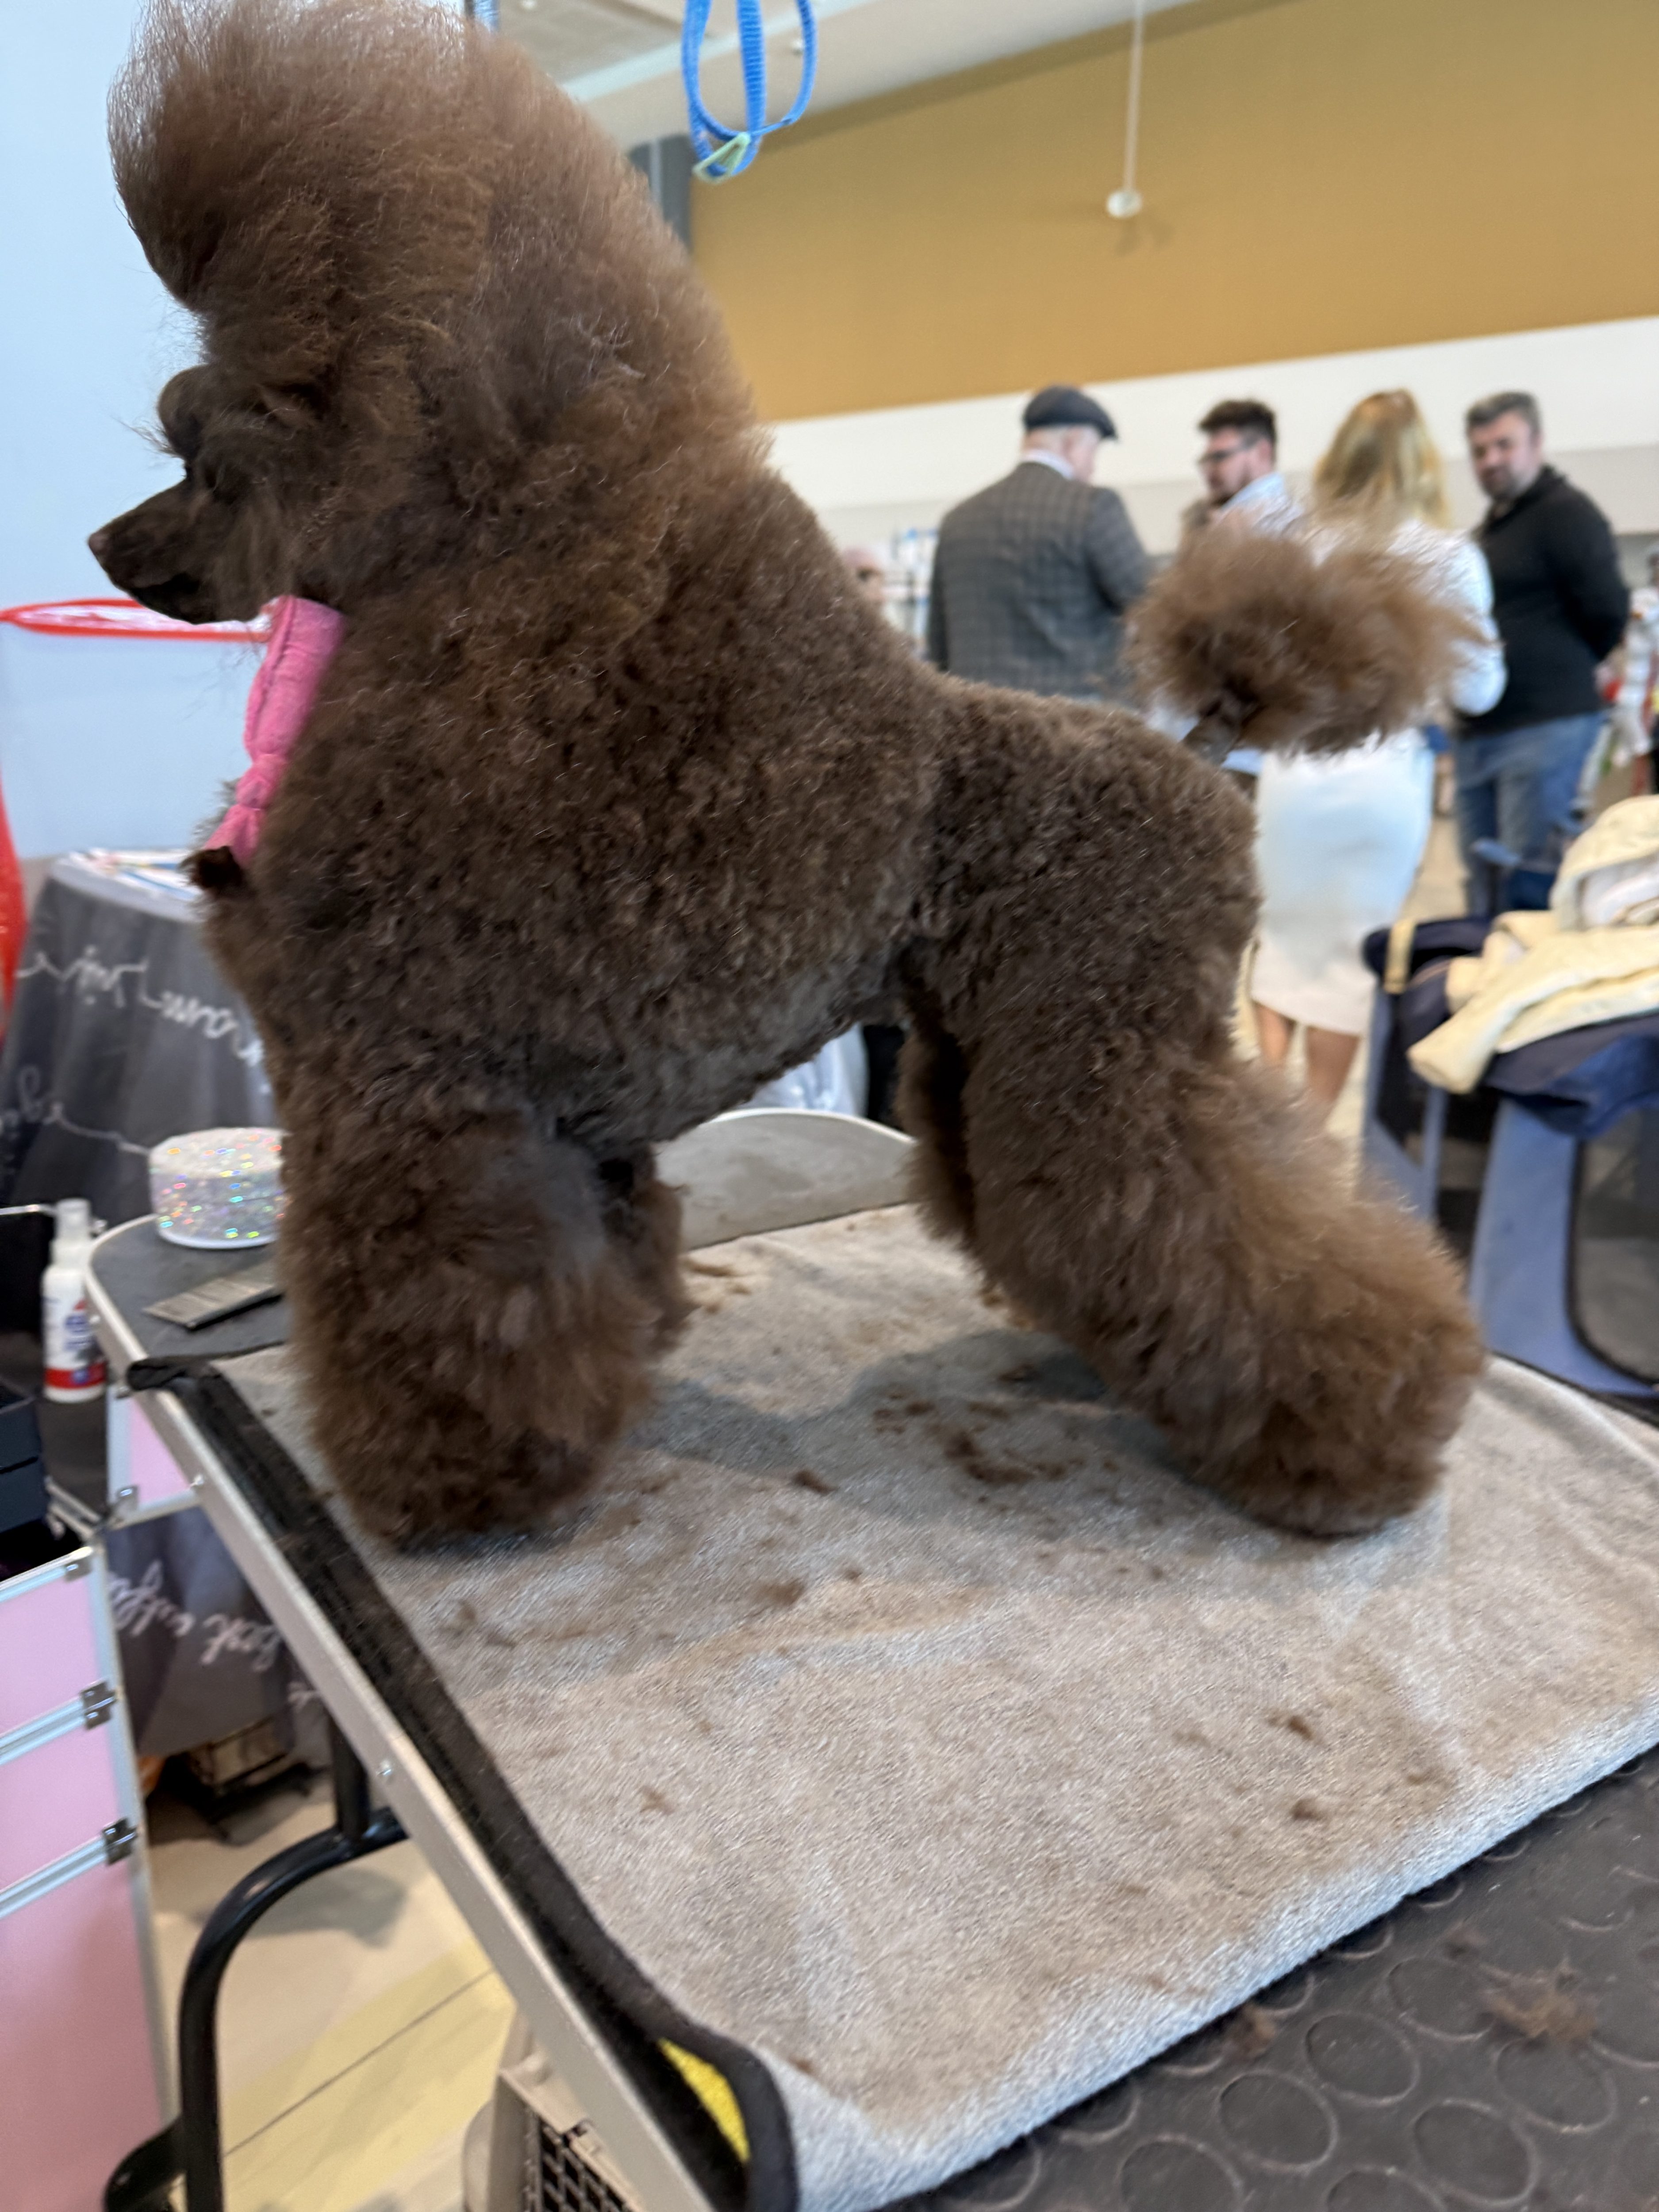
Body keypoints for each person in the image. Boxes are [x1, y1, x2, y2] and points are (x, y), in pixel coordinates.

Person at [1251, 391, 1505, 1114]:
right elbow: (1480, 690)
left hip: (1293, 772)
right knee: (1348, 963)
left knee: (1280, 939)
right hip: (1381, 778)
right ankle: (1308, 1131)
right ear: (1422, 464)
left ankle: (1264, 1106)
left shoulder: (1297, 550)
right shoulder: (1446, 558)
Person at [1456, 392, 1629, 910]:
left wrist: (1564, 669)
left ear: (1537, 442)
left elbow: (1608, 609)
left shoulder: (1567, 514)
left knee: (1528, 883)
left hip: (1544, 727)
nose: (1491, 460)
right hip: (1480, 732)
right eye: (1480, 451)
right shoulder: (1490, 530)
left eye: (1504, 445)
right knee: (1482, 884)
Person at [926, 385, 1148, 700]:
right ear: (1073, 442)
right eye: (1093, 452)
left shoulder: (958, 521)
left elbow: (938, 641)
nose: (1092, 467)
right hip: (1074, 717)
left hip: (977, 716)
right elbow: (1149, 603)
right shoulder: (1092, 507)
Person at [1182, 399, 1299, 541]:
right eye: (1207, 459)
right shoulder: (1221, 514)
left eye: (1220, 457)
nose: (1209, 470)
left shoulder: (1274, 519)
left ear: (1262, 452)